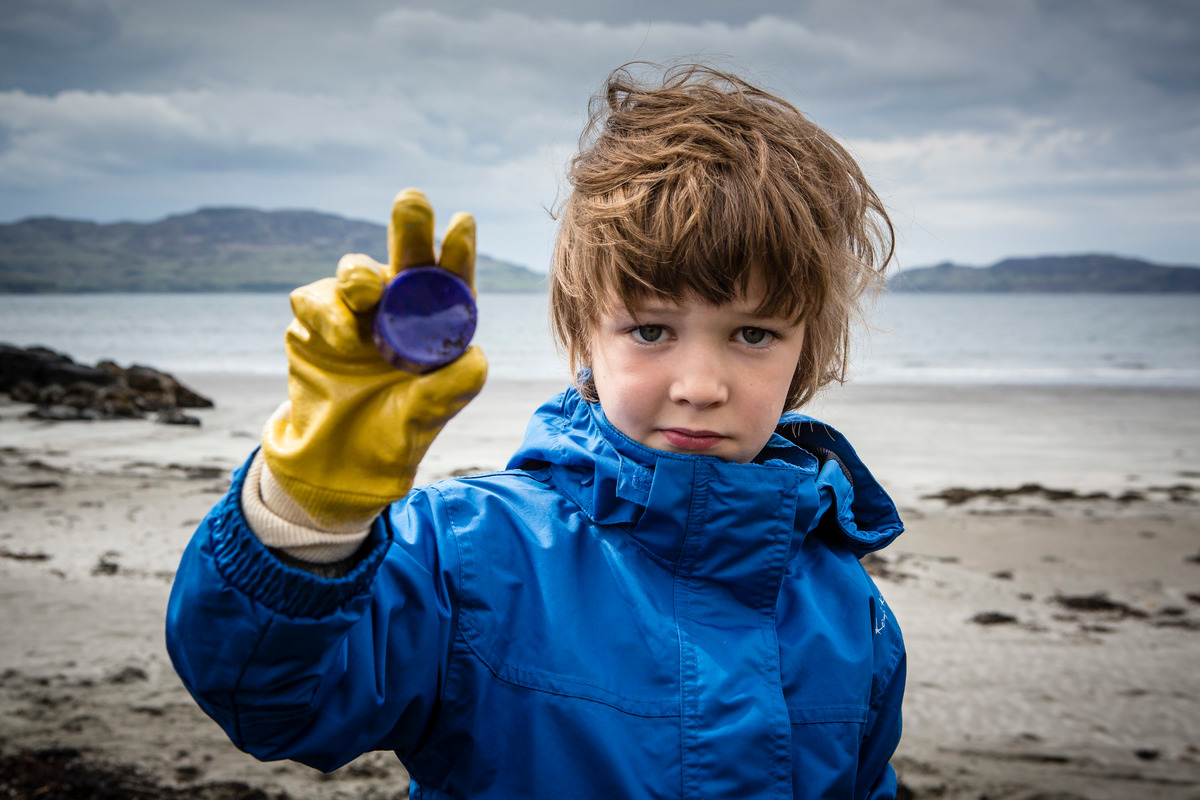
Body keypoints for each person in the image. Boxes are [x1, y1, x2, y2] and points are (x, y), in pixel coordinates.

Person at [166, 62, 906, 799]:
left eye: (753, 334)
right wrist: (307, 514)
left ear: (807, 344)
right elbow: (268, 699)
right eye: (651, 329)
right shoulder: (469, 557)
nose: (701, 387)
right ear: (583, 332)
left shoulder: (850, 610)